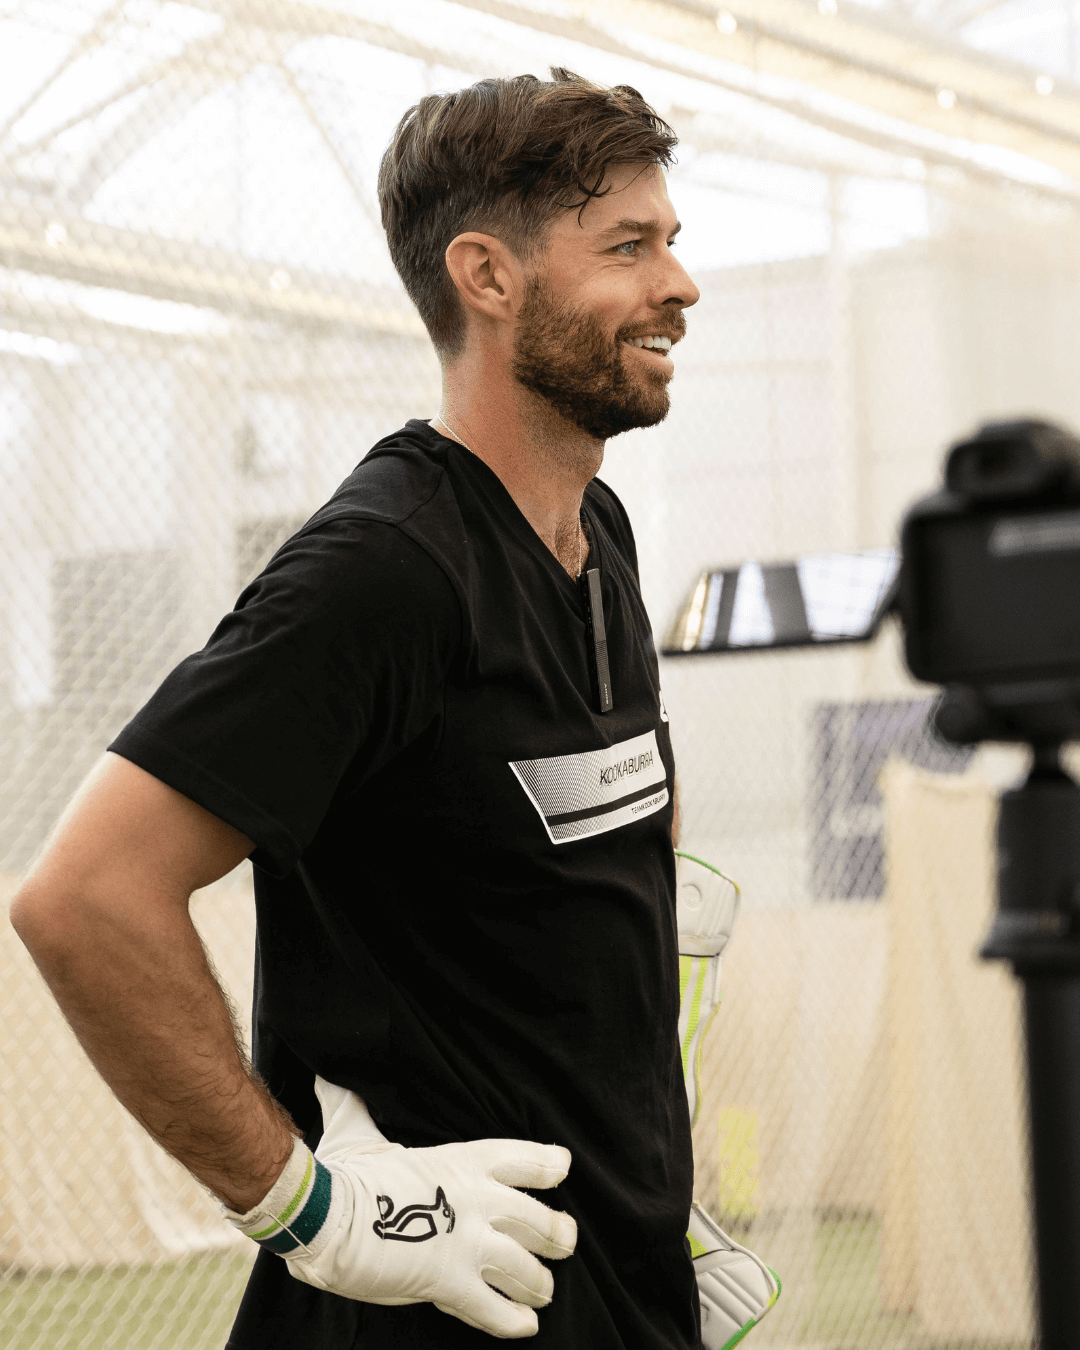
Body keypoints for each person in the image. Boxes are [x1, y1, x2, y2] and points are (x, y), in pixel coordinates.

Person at [12, 69, 705, 1347]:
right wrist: (315, 1213)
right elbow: (84, 898)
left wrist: (651, 1196)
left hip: (610, 1291)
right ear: (487, 277)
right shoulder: (384, 568)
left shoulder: (595, 533)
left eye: (672, 239)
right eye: (629, 247)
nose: (680, 281)